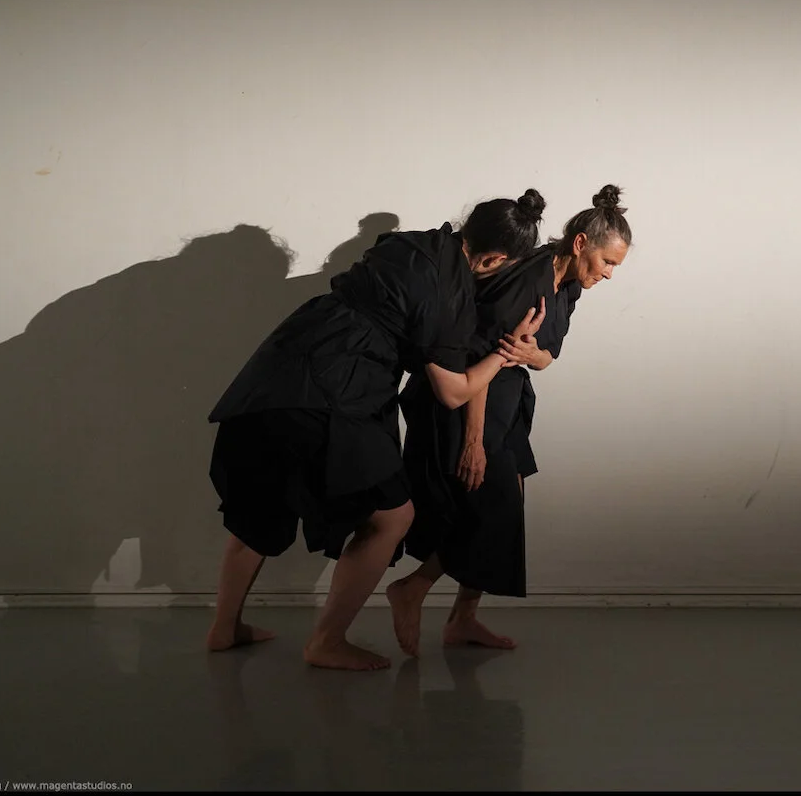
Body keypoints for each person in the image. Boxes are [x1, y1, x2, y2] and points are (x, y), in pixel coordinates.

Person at [204, 191, 550, 671]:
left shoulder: (412, 243)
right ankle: (326, 642)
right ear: (493, 259)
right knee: (392, 516)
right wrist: (505, 354)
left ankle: (224, 628)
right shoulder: (449, 293)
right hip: (336, 390)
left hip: (273, 374)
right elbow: (453, 392)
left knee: (258, 509)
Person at [388, 186, 632, 655]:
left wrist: (532, 355)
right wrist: (473, 441)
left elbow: (545, 356)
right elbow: (473, 354)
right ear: (580, 243)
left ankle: (462, 618)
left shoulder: (570, 286)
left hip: (507, 398)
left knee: (506, 504)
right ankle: (412, 589)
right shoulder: (527, 277)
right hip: (469, 399)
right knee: (487, 504)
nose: (609, 274)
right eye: (607, 262)